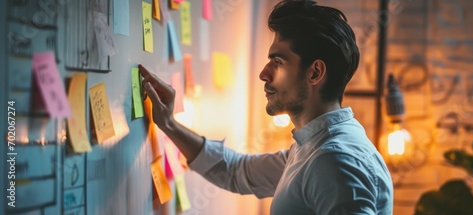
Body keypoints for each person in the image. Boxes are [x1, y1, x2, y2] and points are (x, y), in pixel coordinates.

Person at [139, 0, 393, 214]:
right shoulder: (315, 147)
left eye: (278, 61)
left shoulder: (334, 160)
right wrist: (169, 124)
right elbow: (235, 171)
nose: (263, 74)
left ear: (315, 72)